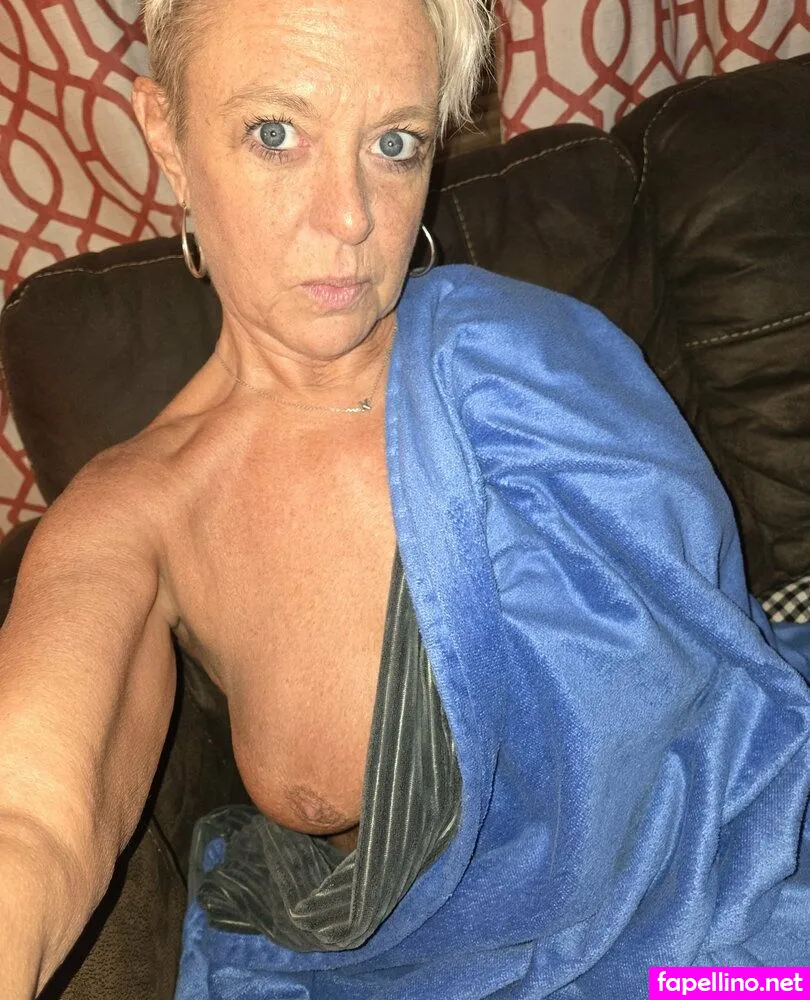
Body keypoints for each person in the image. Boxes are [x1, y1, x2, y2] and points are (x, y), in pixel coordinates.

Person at [0, 0, 808, 997]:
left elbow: (724, 697)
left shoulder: (531, 359)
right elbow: (33, 821)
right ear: (165, 134)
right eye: (275, 133)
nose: (349, 218)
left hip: (722, 935)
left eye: (393, 143)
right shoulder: (136, 512)